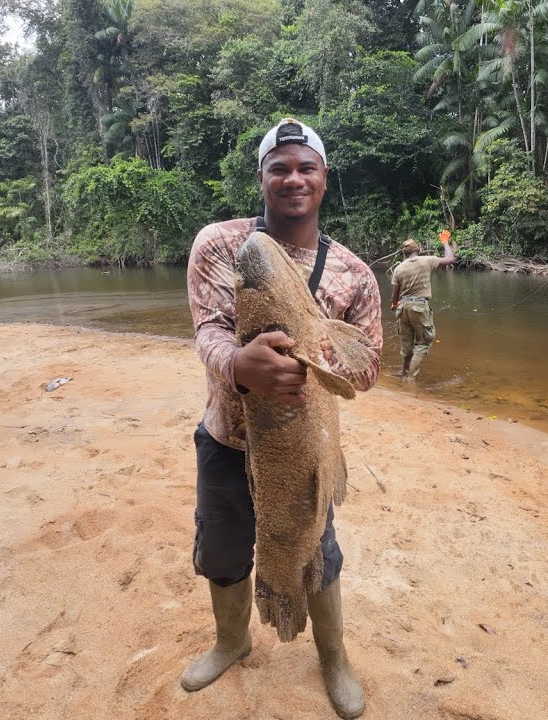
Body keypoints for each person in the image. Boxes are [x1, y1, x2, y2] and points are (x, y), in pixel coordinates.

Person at [183, 118, 382, 719]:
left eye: (306, 167)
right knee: (222, 551)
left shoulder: (353, 273)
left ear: (324, 179)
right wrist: (240, 366)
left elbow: (368, 366)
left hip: (308, 445)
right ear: (263, 178)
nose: (293, 178)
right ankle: (232, 640)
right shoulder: (221, 244)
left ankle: (334, 656)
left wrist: (319, 356)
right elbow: (208, 333)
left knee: (318, 548)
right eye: (280, 168)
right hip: (228, 438)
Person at [389, 230, 455, 380]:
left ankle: (404, 373)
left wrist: (394, 305)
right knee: (424, 342)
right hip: (419, 307)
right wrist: (445, 241)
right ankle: (410, 379)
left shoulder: (398, 269)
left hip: (403, 308)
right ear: (417, 249)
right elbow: (450, 259)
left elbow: (395, 294)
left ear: (404, 253)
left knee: (406, 343)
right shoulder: (427, 260)